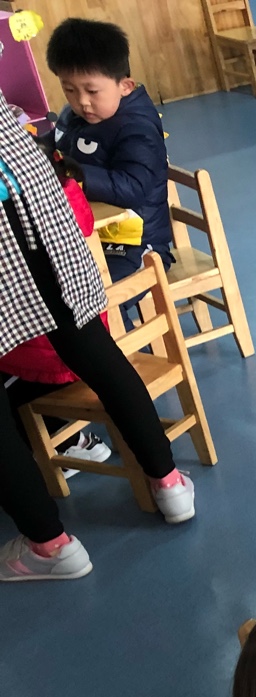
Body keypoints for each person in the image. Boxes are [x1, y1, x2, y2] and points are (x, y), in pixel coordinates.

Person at [0, 91, 194, 583]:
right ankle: (169, 483)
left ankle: (49, 545)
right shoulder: (44, 149)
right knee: (95, 349)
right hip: (28, 188)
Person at [2, 150, 113, 475]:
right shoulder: (63, 188)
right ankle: (74, 441)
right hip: (94, 346)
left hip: (49, 361)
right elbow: (86, 223)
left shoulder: (12, 221)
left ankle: (62, 447)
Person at [45, 18, 173, 282]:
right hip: (92, 233)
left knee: (96, 293)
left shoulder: (137, 129)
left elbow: (133, 188)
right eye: (69, 90)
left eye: (92, 91)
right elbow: (55, 143)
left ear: (125, 86)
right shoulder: (75, 116)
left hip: (137, 243)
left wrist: (76, 173)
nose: (82, 101)